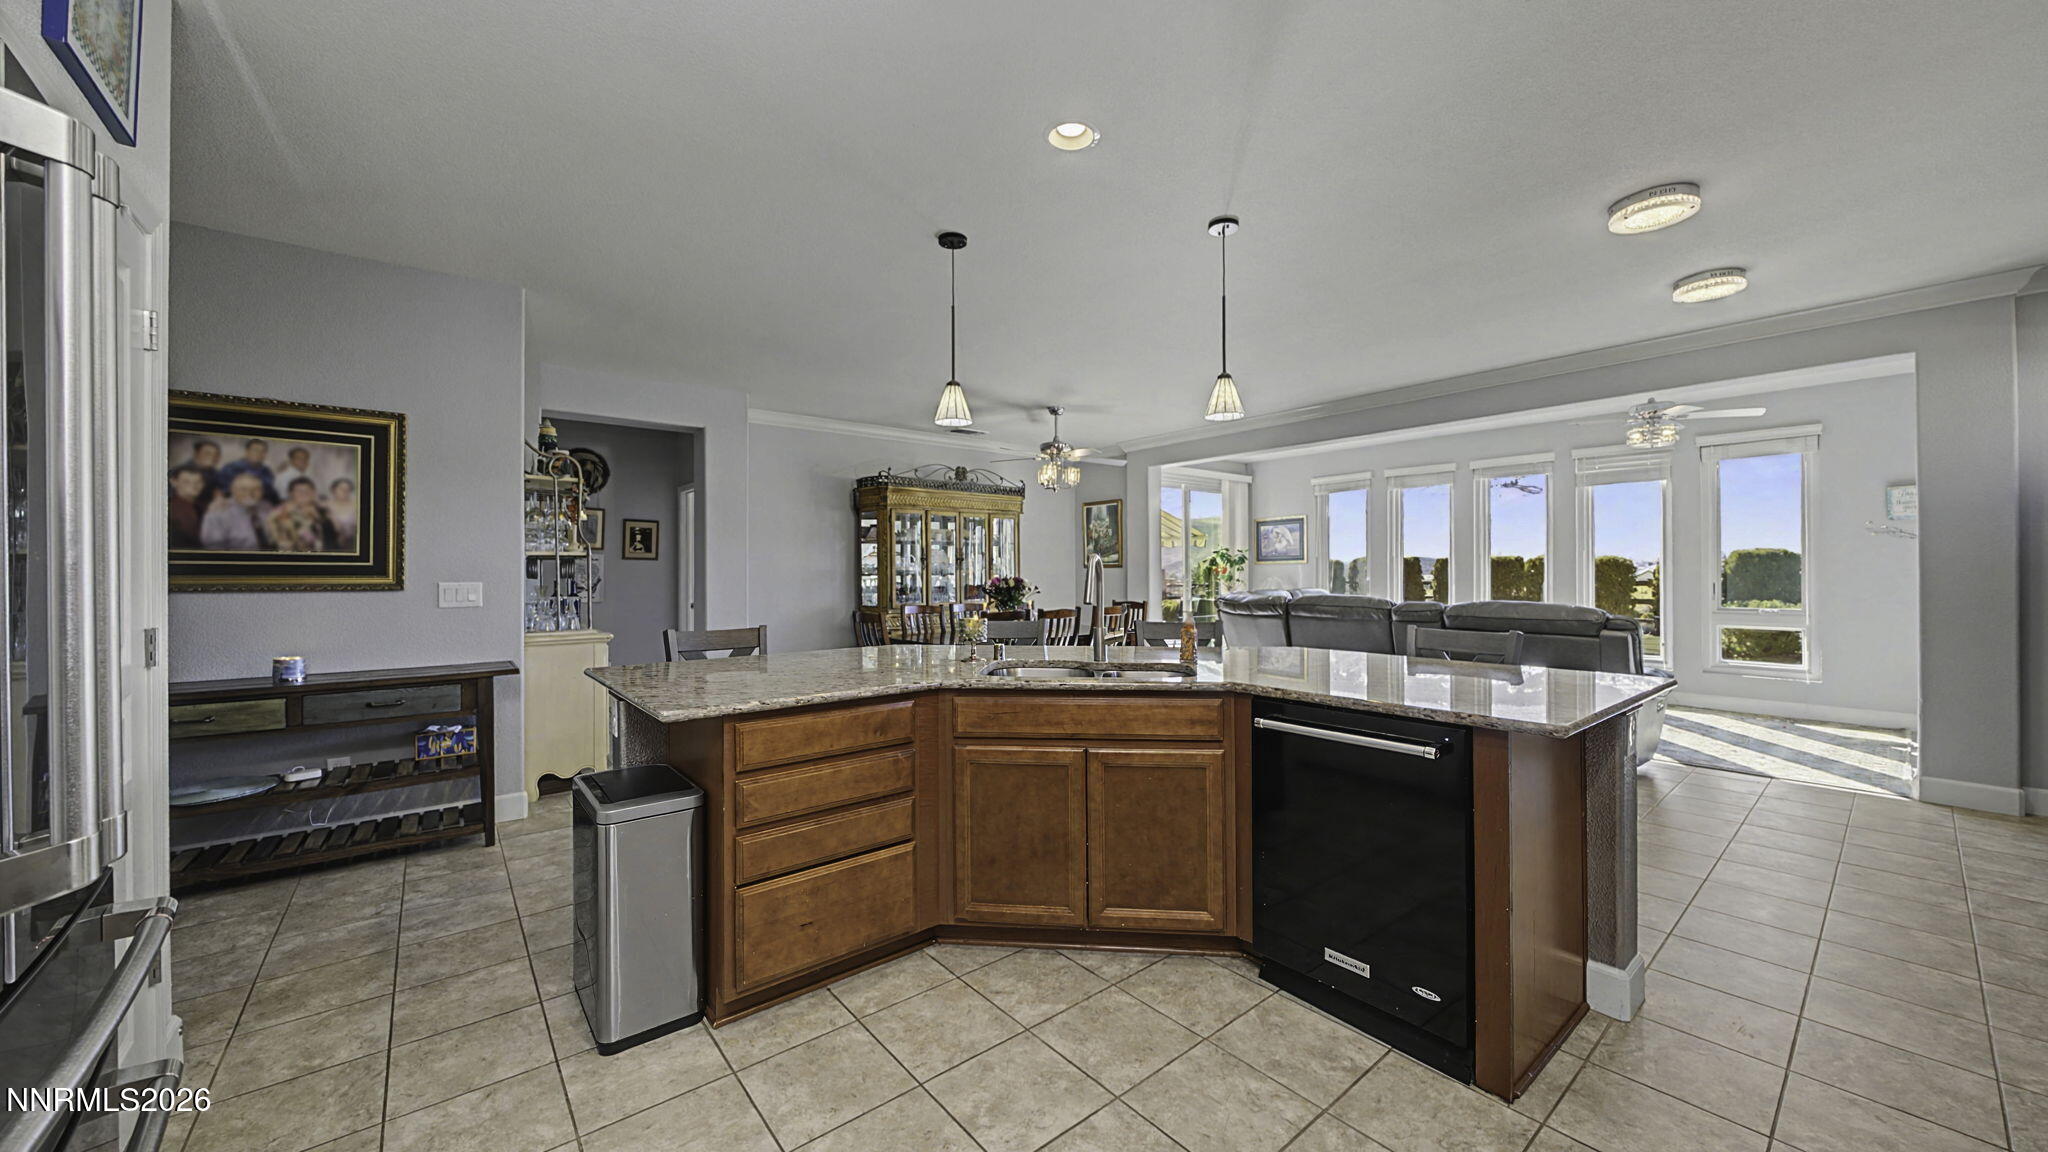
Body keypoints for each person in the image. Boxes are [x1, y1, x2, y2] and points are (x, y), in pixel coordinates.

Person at [200, 473, 274, 551]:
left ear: (262, 491)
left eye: (256, 489)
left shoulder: (267, 507)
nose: (250, 493)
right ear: (233, 490)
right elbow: (214, 549)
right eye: (243, 489)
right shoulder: (217, 513)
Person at [267, 477, 337, 552]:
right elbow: (277, 542)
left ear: (314, 492)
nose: (304, 494)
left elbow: (332, 539)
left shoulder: (323, 511)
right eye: (299, 491)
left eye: (308, 490)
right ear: (291, 493)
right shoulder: (279, 513)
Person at [215, 438, 279, 504]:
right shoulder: (231, 468)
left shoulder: (267, 472)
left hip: (261, 507)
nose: (259, 454)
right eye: (255, 450)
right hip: (234, 505)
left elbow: (271, 494)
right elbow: (222, 491)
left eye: (263, 451)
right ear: (247, 451)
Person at [170, 439, 222, 510]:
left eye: (216, 454)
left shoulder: (214, 473)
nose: (213, 457)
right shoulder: (179, 472)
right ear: (196, 454)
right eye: (207, 453)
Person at [168, 465, 207, 549]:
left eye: (198, 482)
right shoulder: (168, 510)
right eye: (187, 482)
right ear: (174, 482)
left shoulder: (204, 507)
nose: (194, 486)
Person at [326, 476, 358, 550]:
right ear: (333, 490)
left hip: (352, 541)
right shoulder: (326, 505)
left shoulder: (356, 505)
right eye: (341, 489)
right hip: (332, 541)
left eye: (348, 489)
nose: (345, 492)